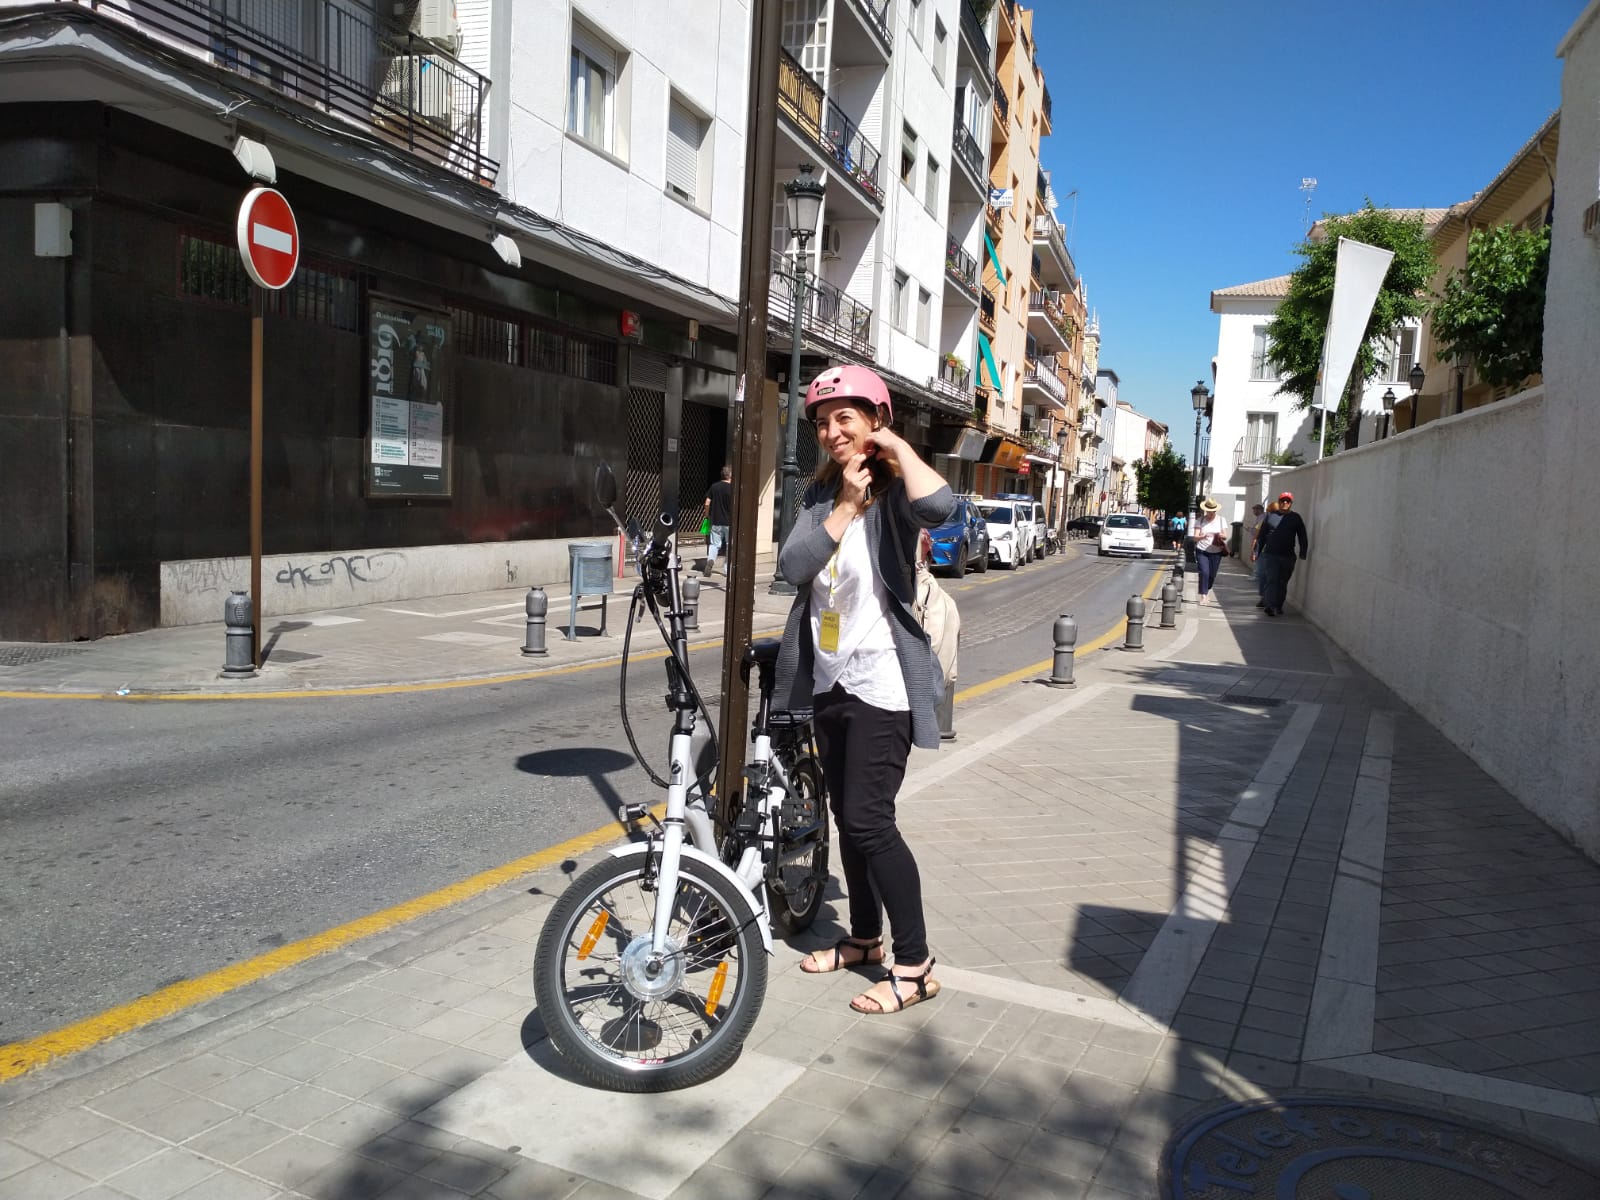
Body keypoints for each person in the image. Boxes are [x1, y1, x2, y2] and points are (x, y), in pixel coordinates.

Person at [774, 364, 953, 1016]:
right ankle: (866, 940)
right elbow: (792, 566)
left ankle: (916, 965)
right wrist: (844, 507)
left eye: (844, 417)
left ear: (874, 417)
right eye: (822, 421)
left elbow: (943, 508)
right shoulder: (823, 498)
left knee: (872, 821)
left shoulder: (895, 492)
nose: (830, 431)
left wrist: (896, 448)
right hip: (829, 680)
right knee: (849, 820)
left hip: (883, 682)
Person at [1259, 490, 1308, 617]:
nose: (1285, 503)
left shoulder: (1296, 518)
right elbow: (1262, 535)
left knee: (1282, 582)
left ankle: (1278, 606)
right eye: (1282, 501)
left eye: (1288, 501)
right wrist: (1257, 551)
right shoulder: (1270, 516)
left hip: (1288, 556)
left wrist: (1303, 551)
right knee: (1272, 580)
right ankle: (1269, 606)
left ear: (1291, 503)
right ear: (1279, 502)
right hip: (1271, 555)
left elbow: (1302, 535)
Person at [1193, 497, 1229, 605]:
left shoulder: (1222, 520)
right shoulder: (1200, 521)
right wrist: (1202, 536)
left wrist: (1221, 536)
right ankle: (1203, 596)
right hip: (1202, 550)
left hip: (1216, 551)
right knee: (1204, 572)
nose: (1210, 513)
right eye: (1208, 511)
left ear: (1215, 510)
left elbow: (1225, 536)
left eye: (1212, 511)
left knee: (1212, 575)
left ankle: (1207, 590)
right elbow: (1195, 537)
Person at [701, 465, 732, 578]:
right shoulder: (733, 488)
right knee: (730, 545)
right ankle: (728, 570)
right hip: (729, 522)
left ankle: (710, 561)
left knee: (714, 544)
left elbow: (707, 503)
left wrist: (707, 515)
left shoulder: (714, 487)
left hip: (715, 521)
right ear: (730, 476)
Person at [1251, 500, 1280, 607]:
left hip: (1267, 553)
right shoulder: (1266, 519)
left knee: (1264, 575)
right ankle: (1266, 598)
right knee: (1266, 576)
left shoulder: (1266, 519)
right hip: (1266, 552)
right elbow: (1259, 536)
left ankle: (1266, 597)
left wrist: (1254, 551)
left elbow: (1257, 536)